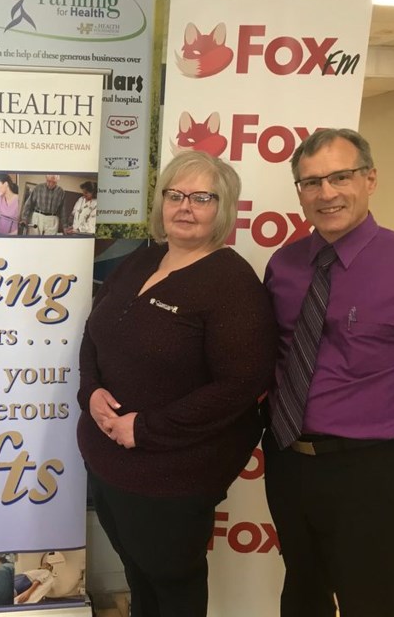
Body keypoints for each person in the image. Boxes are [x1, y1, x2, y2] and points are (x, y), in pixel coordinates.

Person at [262, 128, 394, 617]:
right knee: (301, 596)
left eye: (340, 177)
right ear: (299, 193)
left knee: (368, 604)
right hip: (288, 463)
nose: (326, 194)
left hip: (372, 472)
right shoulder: (283, 266)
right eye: (311, 183)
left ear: (370, 179)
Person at [77, 149, 277, 617]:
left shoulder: (232, 282)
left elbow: (240, 385)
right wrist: (90, 393)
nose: (185, 207)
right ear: (161, 202)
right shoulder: (140, 260)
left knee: (173, 583)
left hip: (172, 474)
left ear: (222, 208)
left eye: (201, 198)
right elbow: (93, 332)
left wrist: (143, 429)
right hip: (108, 461)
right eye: (175, 195)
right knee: (137, 572)